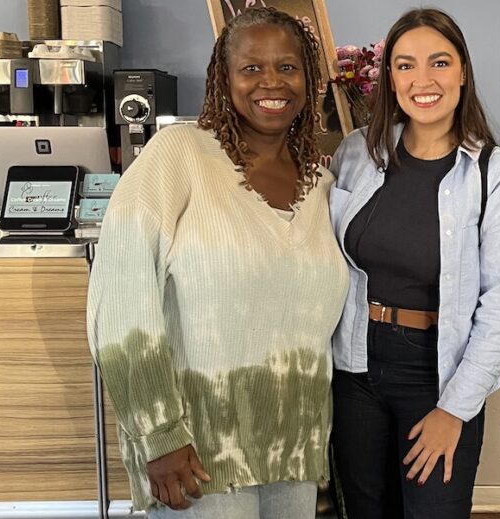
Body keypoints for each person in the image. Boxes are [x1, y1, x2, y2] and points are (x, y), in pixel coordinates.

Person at [86, 7, 347, 519]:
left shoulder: (322, 180)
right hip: (197, 452)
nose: (271, 82)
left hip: (293, 448)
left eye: (287, 67)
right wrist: (159, 434)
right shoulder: (178, 155)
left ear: (309, 78)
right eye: (251, 68)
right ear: (222, 79)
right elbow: (120, 300)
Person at [327, 8, 500, 519]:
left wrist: (455, 409)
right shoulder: (357, 153)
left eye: (439, 62)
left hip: (438, 372)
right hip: (355, 368)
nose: (423, 80)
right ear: (389, 77)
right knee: (365, 509)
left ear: (463, 70)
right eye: (405, 65)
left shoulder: (495, 172)